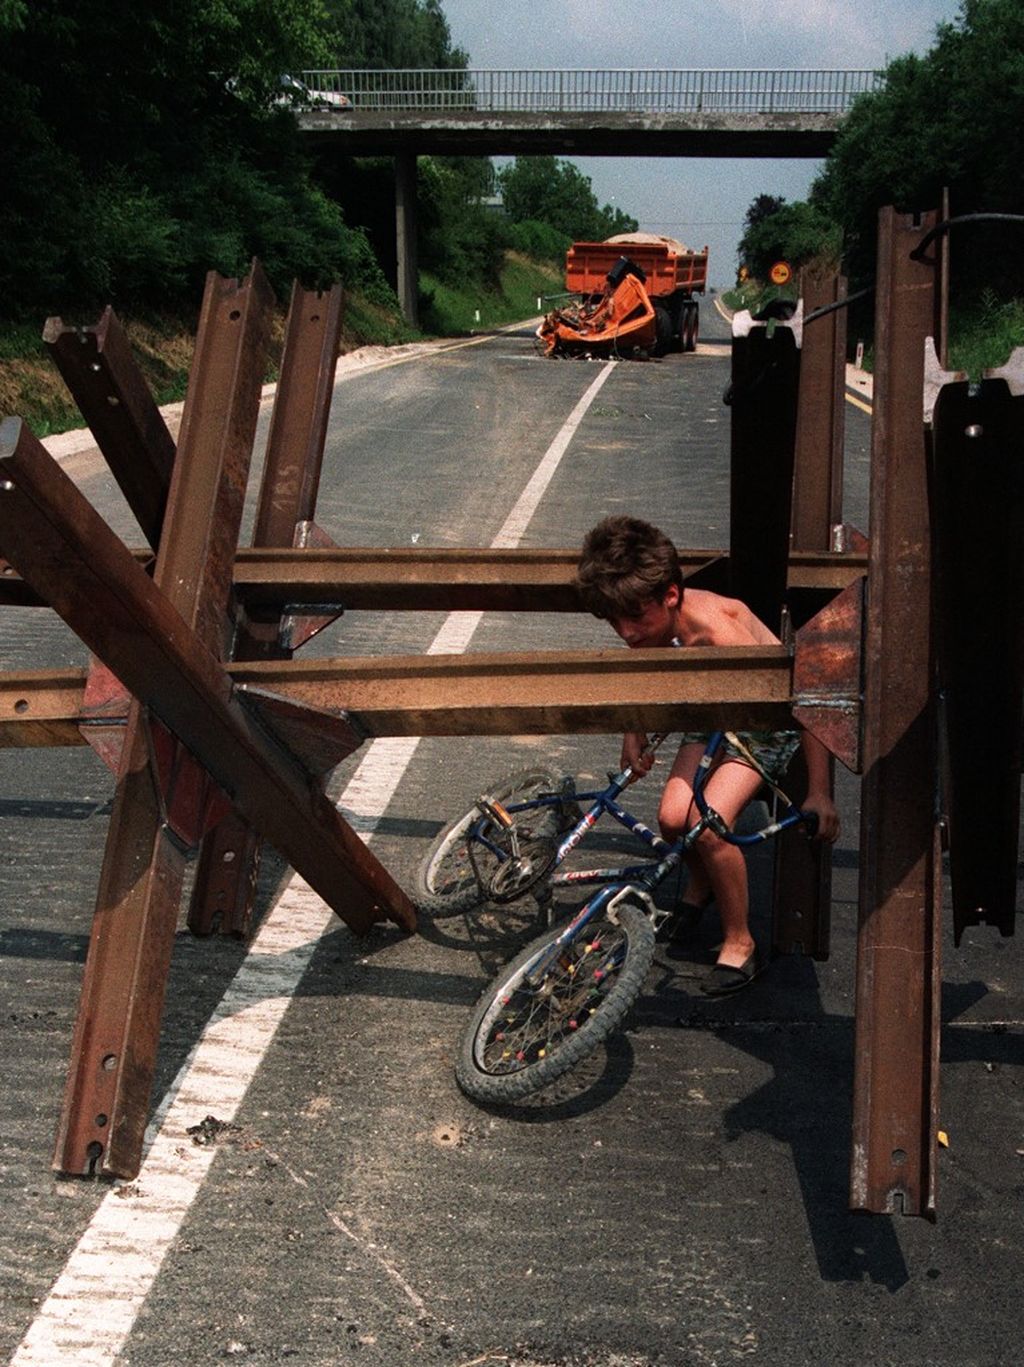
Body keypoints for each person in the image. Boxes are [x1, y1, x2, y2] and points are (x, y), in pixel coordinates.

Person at [575, 514, 840, 997]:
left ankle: (740, 941)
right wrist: (632, 730)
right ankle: (700, 892)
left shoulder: (724, 635)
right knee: (674, 819)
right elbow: (644, 666)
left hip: (764, 719)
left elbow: (806, 705)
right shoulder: (654, 626)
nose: (626, 632)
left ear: (672, 595)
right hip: (714, 702)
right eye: (615, 621)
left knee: (710, 822)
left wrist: (819, 791)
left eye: (634, 618)